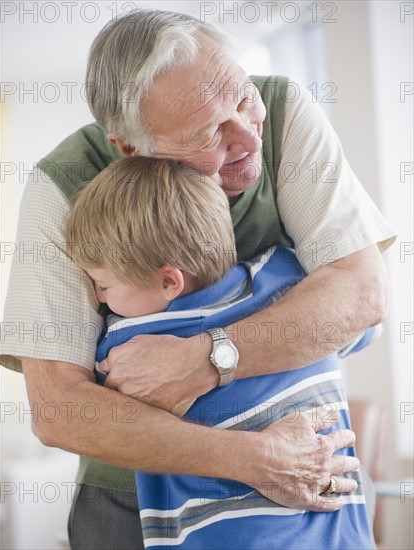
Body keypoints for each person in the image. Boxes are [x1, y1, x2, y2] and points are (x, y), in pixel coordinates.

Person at [0, 8, 395, 550]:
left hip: (311, 474)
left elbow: (362, 291)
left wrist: (207, 359)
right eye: (209, 132)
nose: (249, 138)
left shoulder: (279, 110)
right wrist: (257, 460)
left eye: (241, 97)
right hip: (135, 498)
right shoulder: (63, 185)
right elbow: (61, 409)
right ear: (130, 151)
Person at [65, 155, 375, 549]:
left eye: (103, 284)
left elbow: (92, 413)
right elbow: (363, 330)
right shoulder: (289, 277)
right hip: (340, 529)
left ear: (168, 281)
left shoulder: (129, 340)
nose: (98, 297)